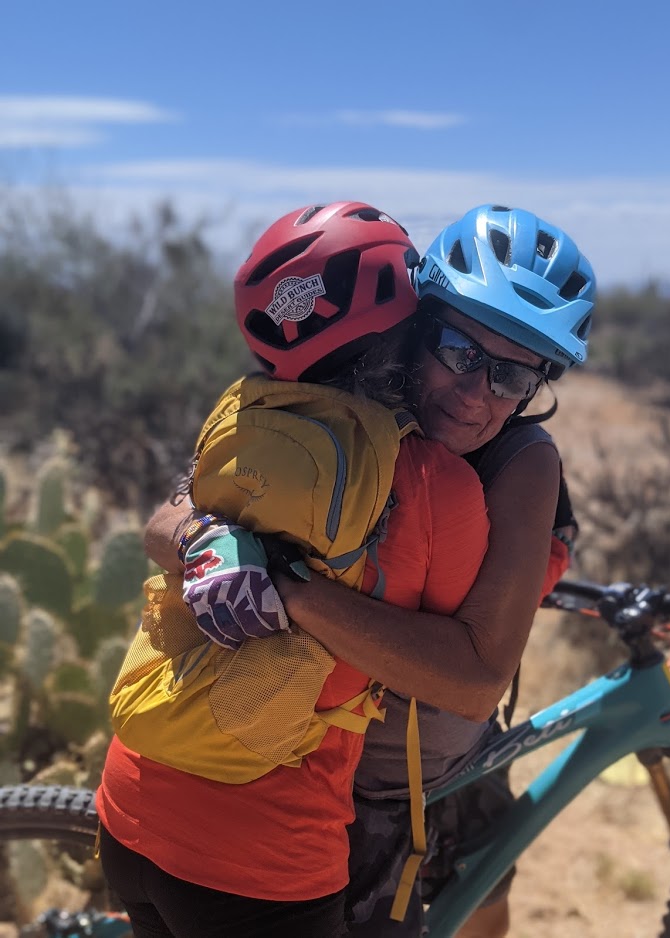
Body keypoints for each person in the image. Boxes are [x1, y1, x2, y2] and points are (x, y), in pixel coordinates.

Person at [146, 204, 595, 938]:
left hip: (452, 760)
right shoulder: (331, 403)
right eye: (459, 350)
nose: (477, 393)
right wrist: (205, 536)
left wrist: (289, 585)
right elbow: (163, 521)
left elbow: (475, 680)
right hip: (326, 788)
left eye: (514, 374)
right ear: (416, 327)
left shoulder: (521, 459)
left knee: (485, 905)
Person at [96, 201, 491, 938]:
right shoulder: (441, 487)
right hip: (263, 858)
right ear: (402, 336)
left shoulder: (242, 418)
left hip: (132, 799)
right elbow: (456, 671)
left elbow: (166, 520)